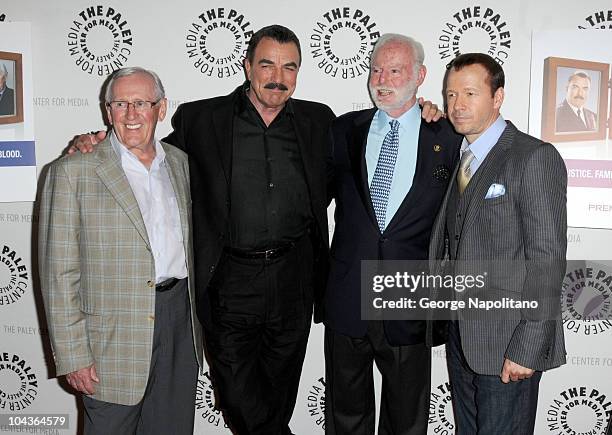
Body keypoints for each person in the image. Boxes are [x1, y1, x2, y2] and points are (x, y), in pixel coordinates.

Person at [69, 26, 442, 434]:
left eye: (289, 67)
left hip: (294, 282)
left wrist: (423, 113)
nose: (277, 76)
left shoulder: (321, 123)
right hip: (230, 284)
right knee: (237, 397)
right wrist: (99, 142)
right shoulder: (203, 119)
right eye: (267, 64)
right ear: (248, 67)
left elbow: (360, 176)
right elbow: (155, 157)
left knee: (280, 397)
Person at [39, 67, 203, 434]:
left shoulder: (181, 163)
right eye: (120, 103)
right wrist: (73, 356)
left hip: (179, 323)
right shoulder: (72, 172)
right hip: (110, 338)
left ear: (161, 109)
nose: (131, 114)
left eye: (141, 103)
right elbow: (58, 273)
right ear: (107, 110)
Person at [324, 34, 461, 435]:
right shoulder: (343, 130)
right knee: (345, 415)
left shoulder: (449, 137)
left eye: (395, 70)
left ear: (420, 76)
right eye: (376, 69)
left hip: (409, 299)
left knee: (406, 419)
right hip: (348, 294)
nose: (381, 79)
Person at [429, 53, 567, 434]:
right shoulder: (463, 157)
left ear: (498, 97)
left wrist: (528, 345)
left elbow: (548, 259)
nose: (457, 105)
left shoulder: (533, 157)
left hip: (509, 340)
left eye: (470, 93)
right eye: (451, 94)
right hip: (462, 336)